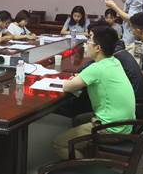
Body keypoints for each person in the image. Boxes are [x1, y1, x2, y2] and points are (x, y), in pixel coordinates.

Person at [53, 25, 136, 159]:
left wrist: (74, 80)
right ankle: (86, 148)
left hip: (111, 129)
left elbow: (67, 87)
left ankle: (84, 165)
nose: (86, 44)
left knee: (58, 143)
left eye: (89, 40)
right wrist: (80, 79)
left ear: (98, 48)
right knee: (78, 119)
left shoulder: (96, 68)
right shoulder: (114, 61)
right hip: (125, 125)